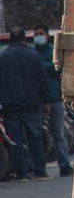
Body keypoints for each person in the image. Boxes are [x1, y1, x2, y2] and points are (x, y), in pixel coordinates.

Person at [0, 26, 50, 181]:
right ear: (24, 38)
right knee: (35, 137)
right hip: (32, 104)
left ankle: (22, 173)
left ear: (10, 39)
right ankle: (40, 171)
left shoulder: (3, 57)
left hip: (10, 106)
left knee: (16, 140)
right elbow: (43, 81)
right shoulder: (34, 56)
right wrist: (46, 101)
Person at [32, 25, 73, 177]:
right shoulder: (32, 53)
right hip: (37, 101)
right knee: (36, 135)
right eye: (36, 34)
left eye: (41, 34)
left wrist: (41, 66)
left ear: (47, 36)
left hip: (54, 98)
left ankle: (64, 165)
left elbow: (58, 68)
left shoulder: (52, 51)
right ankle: (39, 168)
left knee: (59, 134)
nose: (38, 36)